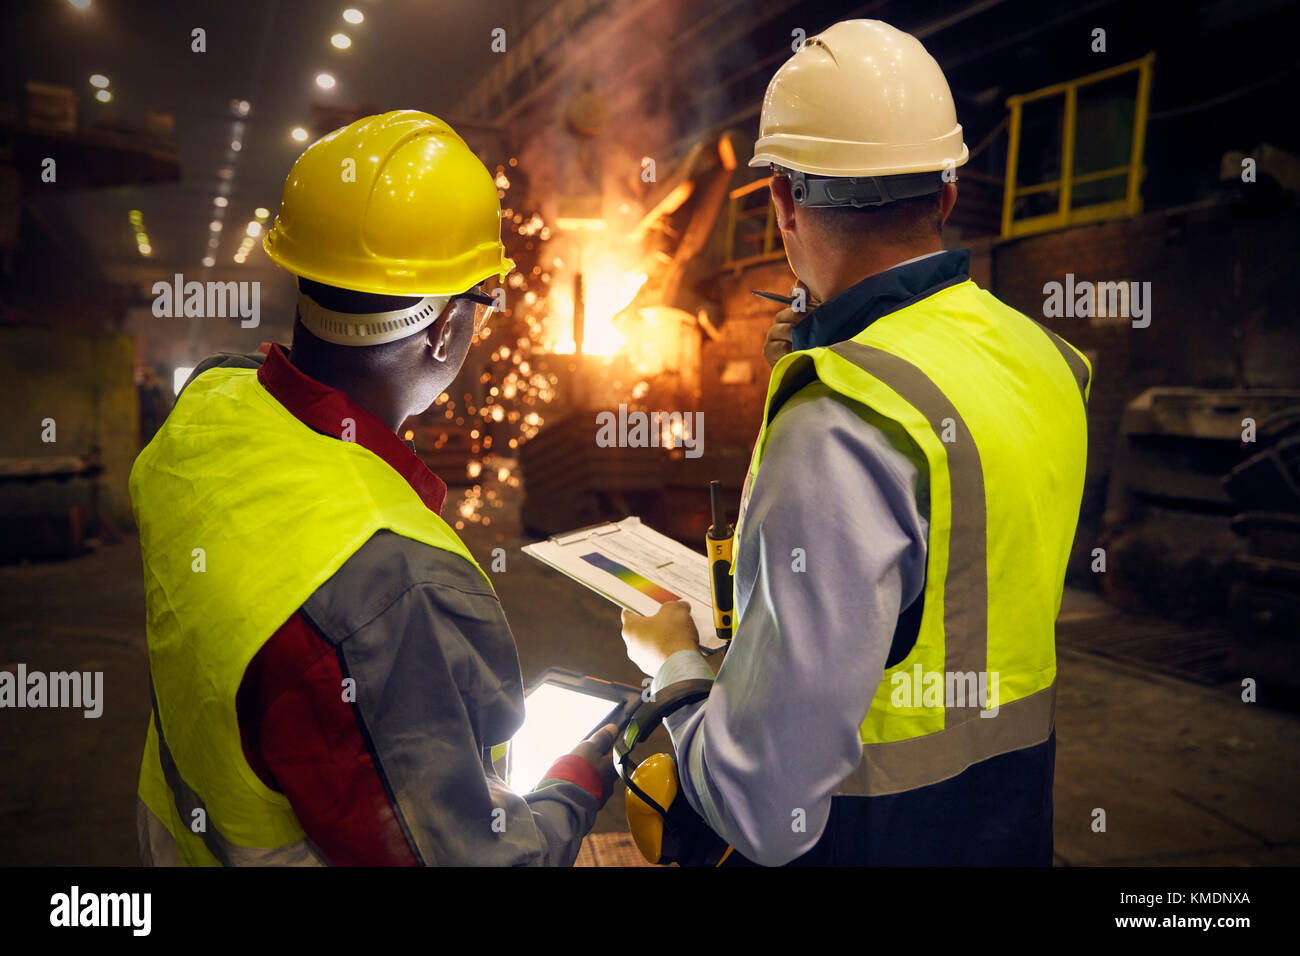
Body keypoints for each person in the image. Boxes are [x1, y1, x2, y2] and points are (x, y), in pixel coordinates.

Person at [620, 19, 1091, 866]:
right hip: (1011, 830)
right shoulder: (1044, 360)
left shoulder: (837, 419)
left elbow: (755, 803)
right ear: (946, 195)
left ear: (784, 201)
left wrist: (677, 667)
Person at [132, 111, 617, 866]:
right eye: (480, 307)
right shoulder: (391, 585)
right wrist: (576, 784)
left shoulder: (207, 406)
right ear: (444, 325)